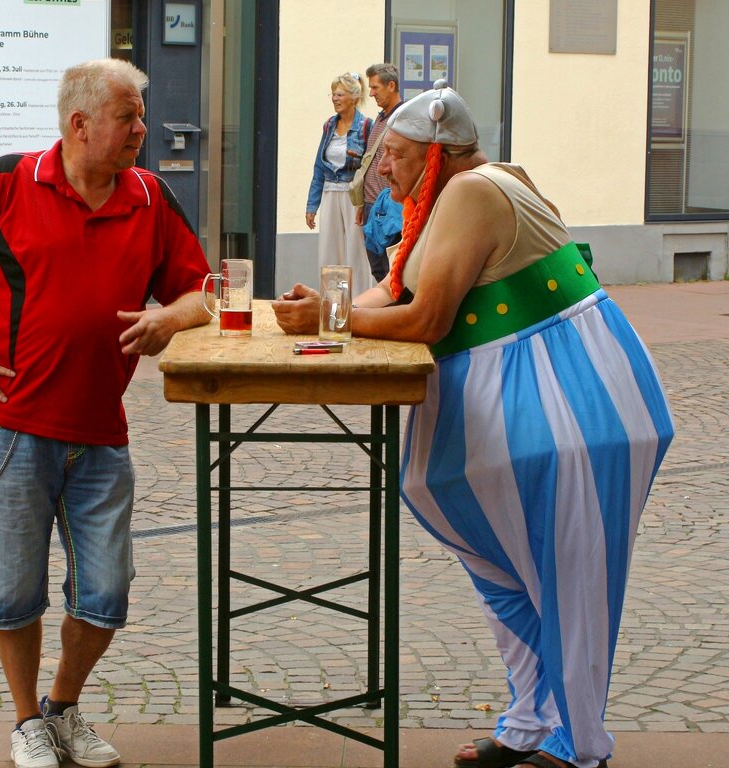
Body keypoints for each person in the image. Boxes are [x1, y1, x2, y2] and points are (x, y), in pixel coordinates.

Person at [273, 82, 674, 768]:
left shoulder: (472, 190)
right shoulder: (440, 203)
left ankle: (580, 745)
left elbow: (425, 318)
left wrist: (329, 320)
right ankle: (530, 722)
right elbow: (392, 291)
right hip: (527, 409)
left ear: (434, 154)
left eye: (395, 156)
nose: (386, 170)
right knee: (506, 573)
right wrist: (329, 307)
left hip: (566, 408)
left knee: (567, 576)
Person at [0, 58, 211, 768]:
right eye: (129, 116)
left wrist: (170, 319)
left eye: (140, 114)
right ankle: (24, 722)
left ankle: (61, 708)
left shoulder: (151, 196)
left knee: (106, 593)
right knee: (13, 591)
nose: (143, 128)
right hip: (10, 427)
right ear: (80, 124)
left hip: (101, 432)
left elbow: (204, 290)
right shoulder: (10, 181)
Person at [306, 71, 376, 294]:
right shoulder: (329, 126)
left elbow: (372, 167)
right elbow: (319, 166)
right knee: (329, 251)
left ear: (354, 98)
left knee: (356, 251)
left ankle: (360, 302)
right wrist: (312, 206)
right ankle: (332, 303)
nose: (335, 99)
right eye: (333, 94)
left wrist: (366, 203)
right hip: (330, 192)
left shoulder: (366, 126)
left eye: (339, 94)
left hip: (354, 196)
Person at [354, 63, 405, 281]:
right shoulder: (381, 118)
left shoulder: (402, 119)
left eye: (376, 88)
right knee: (377, 269)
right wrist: (361, 203)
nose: (372, 93)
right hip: (370, 206)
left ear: (391, 86)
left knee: (390, 271)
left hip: (390, 206)